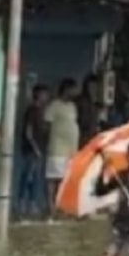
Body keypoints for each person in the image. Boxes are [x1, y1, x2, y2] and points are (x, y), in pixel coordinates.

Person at [44, 78, 82, 218]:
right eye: (73, 89)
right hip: (57, 148)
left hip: (71, 150)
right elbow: (46, 124)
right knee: (53, 179)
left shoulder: (72, 106)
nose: (76, 92)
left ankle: (62, 207)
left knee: (65, 180)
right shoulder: (55, 105)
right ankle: (51, 207)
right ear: (66, 89)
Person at [15, 82, 51, 222]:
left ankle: (30, 206)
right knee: (28, 178)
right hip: (32, 151)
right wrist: (36, 149)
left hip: (37, 150)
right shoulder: (32, 111)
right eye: (45, 94)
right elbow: (28, 132)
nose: (47, 97)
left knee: (33, 179)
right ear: (39, 95)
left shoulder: (41, 111)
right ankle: (22, 206)